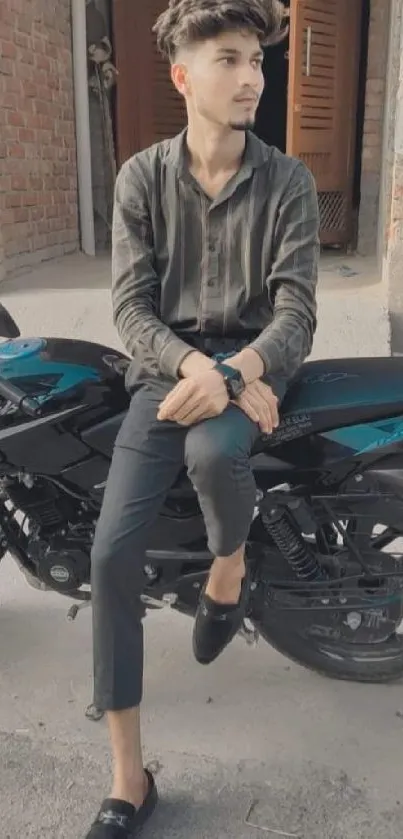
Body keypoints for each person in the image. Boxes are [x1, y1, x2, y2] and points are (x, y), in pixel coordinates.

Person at [85, 0, 319, 835]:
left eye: (256, 59)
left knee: (217, 455)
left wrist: (240, 369)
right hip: (168, 373)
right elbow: (129, 305)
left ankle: (228, 566)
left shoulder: (287, 180)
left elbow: (296, 312)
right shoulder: (140, 177)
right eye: (228, 59)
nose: (251, 75)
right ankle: (127, 779)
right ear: (183, 76)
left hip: (254, 370)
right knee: (110, 553)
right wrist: (192, 367)